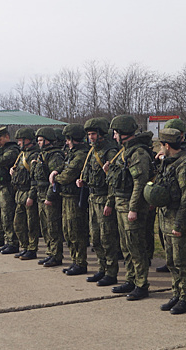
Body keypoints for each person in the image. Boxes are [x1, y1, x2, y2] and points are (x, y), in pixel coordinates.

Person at [104, 115, 153, 300]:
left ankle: (141, 284)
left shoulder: (138, 153)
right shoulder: (123, 152)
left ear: (124, 133)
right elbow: (115, 182)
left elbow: (139, 184)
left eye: (116, 133)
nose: (114, 136)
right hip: (120, 204)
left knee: (136, 246)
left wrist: (133, 208)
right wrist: (110, 202)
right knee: (125, 246)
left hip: (132, 207)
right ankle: (131, 279)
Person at [146, 128, 186, 314]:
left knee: (184, 263)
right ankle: (177, 293)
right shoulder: (169, 162)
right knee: (172, 262)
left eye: (161, 145)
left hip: (179, 223)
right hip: (166, 220)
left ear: (167, 145)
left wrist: (179, 225)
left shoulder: (185, 166)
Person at [78, 117, 120, 286]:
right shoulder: (91, 151)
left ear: (102, 134)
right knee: (95, 238)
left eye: (93, 134)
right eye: (89, 134)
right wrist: (82, 181)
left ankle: (111, 272)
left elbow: (113, 182)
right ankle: (102, 268)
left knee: (107, 237)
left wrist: (110, 203)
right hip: (93, 198)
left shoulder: (110, 152)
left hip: (104, 199)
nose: (91, 137)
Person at [50, 124, 90, 275]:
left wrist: (55, 178)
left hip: (74, 197)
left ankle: (80, 262)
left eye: (68, 139)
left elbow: (68, 175)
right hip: (66, 197)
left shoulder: (80, 155)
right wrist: (56, 172)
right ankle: (75, 261)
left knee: (75, 231)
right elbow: (63, 168)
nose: (66, 142)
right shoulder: (72, 153)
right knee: (68, 231)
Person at [30, 127, 65, 267]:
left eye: (40, 140)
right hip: (40, 192)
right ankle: (50, 252)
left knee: (52, 226)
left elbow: (54, 179)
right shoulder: (41, 155)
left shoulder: (54, 156)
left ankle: (56, 255)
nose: (38, 143)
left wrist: (50, 197)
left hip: (49, 194)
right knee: (45, 226)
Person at [0, 127, 20, 254]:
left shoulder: (12, 150)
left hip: (9, 186)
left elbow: (2, 161)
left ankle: (13, 242)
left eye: (0, 139)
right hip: (1, 187)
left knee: (8, 215)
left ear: (7, 137)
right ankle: (8, 240)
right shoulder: (2, 150)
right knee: (2, 215)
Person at [11, 128, 40, 260]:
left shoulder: (34, 155)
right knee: (18, 224)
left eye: (20, 140)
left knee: (31, 224)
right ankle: (25, 246)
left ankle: (32, 249)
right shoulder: (21, 155)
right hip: (20, 193)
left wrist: (31, 196)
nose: (18, 143)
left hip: (28, 192)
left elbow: (35, 179)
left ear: (27, 140)